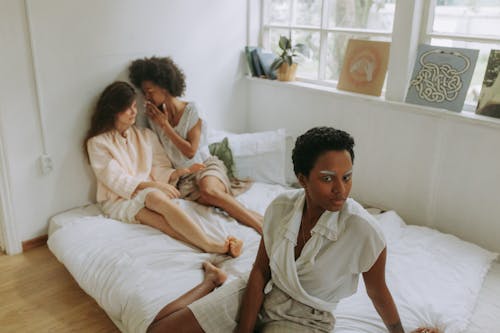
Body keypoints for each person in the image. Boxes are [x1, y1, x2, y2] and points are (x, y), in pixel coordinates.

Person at [84, 81, 242, 258]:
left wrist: (181, 172)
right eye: (127, 108)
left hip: (146, 193)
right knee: (161, 218)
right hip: (118, 199)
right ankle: (210, 244)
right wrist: (154, 186)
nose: (134, 112)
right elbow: (115, 179)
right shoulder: (97, 143)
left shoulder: (145, 135)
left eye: (135, 106)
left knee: (165, 213)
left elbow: (160, 166)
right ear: (113, 110)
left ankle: (211, 246)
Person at [128, 56, 263, 234]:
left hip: (205, 166)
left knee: (209, 191)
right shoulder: (153, 117)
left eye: (150, 91)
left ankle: (259, 227)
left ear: (164, 86)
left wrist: (165, 126)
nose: (147, 97)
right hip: (185, 179)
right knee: (218, 202)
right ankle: (263, 219)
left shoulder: (191, 110)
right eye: (144, 92)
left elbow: (190, 151)